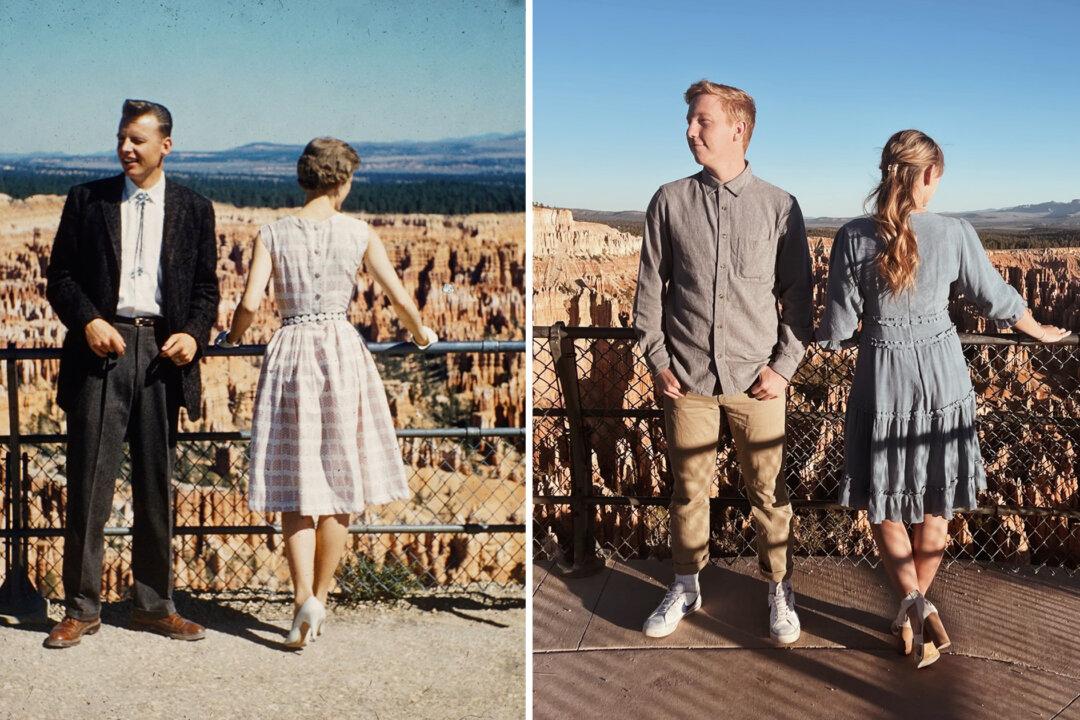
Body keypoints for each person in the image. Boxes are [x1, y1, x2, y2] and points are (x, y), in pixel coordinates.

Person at [816, 129, 1069, 668]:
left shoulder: (853, 237)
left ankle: (910, 604)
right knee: (939, 495)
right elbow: (994, 298)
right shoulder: (955, 232)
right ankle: (919, 606)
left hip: (882, 373)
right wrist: (1038, 328)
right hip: (941, 374)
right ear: (928, 175)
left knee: (883, 496)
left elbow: (838, 326)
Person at [218, 137, 437, 649]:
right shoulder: (359, 232)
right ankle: (322, 594)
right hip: (341, 351)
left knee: (296, 487)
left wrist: (232, 336)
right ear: (342, 180)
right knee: (339, 484)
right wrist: (421, 335)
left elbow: (250, 302)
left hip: (291, 351)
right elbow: (399, 297)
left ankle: (300, 601)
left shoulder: (271, 233)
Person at [632, 81, 813, 642]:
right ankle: (685, 584)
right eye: (690, 121)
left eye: (701, 121)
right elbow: (649, 291)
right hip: (686, 380)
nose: (689, 131)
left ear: (738, 129)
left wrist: (784, 367)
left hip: (757, 380)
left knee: (768, 490)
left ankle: (778, 587)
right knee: (687, 488)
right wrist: (657, 356)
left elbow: (800, 296)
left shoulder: (780, 207)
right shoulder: (669, 201)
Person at [43, 99, 219, 648]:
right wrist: (90, 321)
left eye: (137, 140)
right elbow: (61, 278)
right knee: (89, 484)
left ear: (165, 145)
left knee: (154, 485)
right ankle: (80, 607)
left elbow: (207, 289)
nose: (126, 149)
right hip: (102, 348)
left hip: (164, 357)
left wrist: (193, 332)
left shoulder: (194, 207)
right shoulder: (86, 200)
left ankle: (153, 604)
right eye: (121, 138)